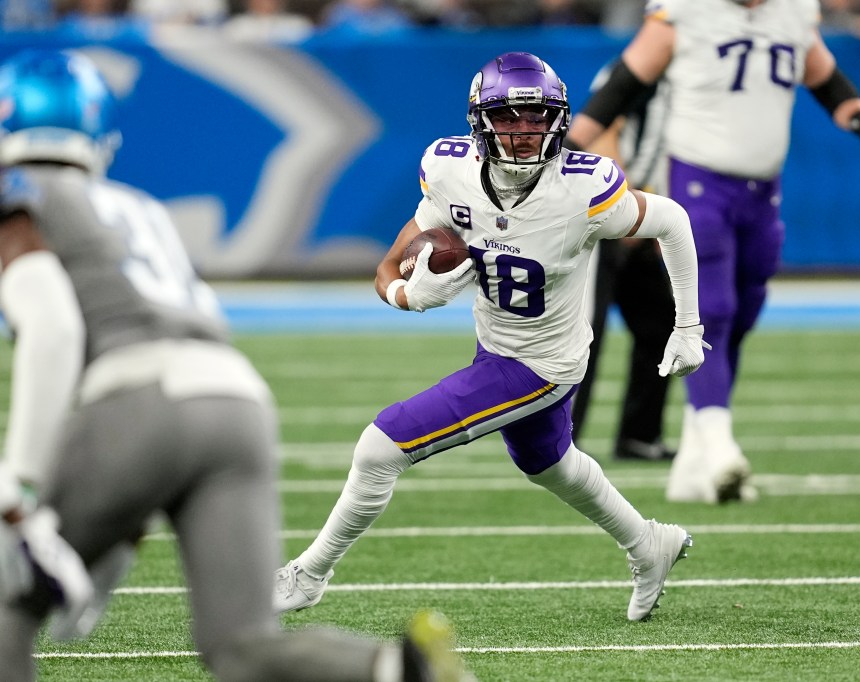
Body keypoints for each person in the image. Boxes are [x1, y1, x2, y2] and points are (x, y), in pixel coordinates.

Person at [0, 49, 473, 682]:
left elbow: (54, 329)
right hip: (234, 401)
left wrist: (24, 492)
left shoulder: (23, 196)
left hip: (138, 399)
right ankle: (401, 670)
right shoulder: (139, 208)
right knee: (243, 643)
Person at [273, 51, 708, 623]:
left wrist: (687, 324)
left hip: (543, 363)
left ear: (559, 119)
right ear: (480, 121)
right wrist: (403, 293)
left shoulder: (583, 190)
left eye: (537, 117)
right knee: (547, 462)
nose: (524, 132)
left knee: (380, 449)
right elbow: (404, 249)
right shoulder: (450, 170)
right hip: (496, 343)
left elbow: (672, 220)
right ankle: (647, 543)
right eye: (508, 117)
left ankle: (309, 573)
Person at [564, 0, 860, 504]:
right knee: (695, 313)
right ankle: (702, 446)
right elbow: (613, 96)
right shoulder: (681, 17)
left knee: (728, 314)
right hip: (677, 190)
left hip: (755, 190)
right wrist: (576, 167)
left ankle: (688, 450)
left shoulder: (792, 14)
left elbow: (824, 76)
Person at [571, 67, 677, 462]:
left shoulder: (697, 72)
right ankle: (560, 440)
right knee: (583, 330)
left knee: (662, 322)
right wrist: (621, 204)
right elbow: (602, 130)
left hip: (641, 218)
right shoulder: (635, 69)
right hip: (604, 216)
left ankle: (638, 435)